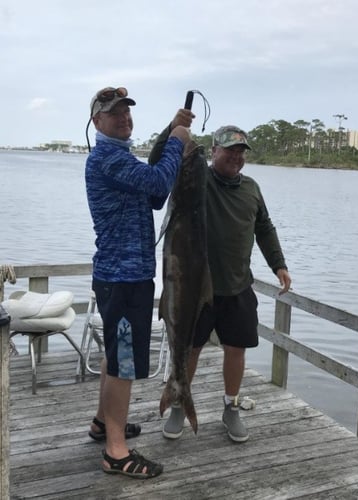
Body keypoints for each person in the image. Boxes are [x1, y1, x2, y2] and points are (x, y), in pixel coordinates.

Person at [149, 124, 292, 443]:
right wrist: (174, 127)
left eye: (241, 151)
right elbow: (159, 162)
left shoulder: (252, 188)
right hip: (195, 289)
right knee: (190, 349)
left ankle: (231, 407)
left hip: (238, 286)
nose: (235, 157)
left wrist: (278, 264)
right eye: (229, 150)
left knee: (236, 349)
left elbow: (264, 228)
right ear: (214, 151)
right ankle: (177, 401)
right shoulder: (198, 181)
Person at [85, 86, 194, 478]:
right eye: (114, 113)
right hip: (124, 277)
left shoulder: (121, 158)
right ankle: (116, 450)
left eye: (127, 112)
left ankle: (103, 422)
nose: (124, 118)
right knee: (125, 364)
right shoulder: (107, 158)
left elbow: (153, 198)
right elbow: (159, 182)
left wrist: (169, 132)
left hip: (123, 276)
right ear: (97, 121)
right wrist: (178, 141)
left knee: (116, 353)